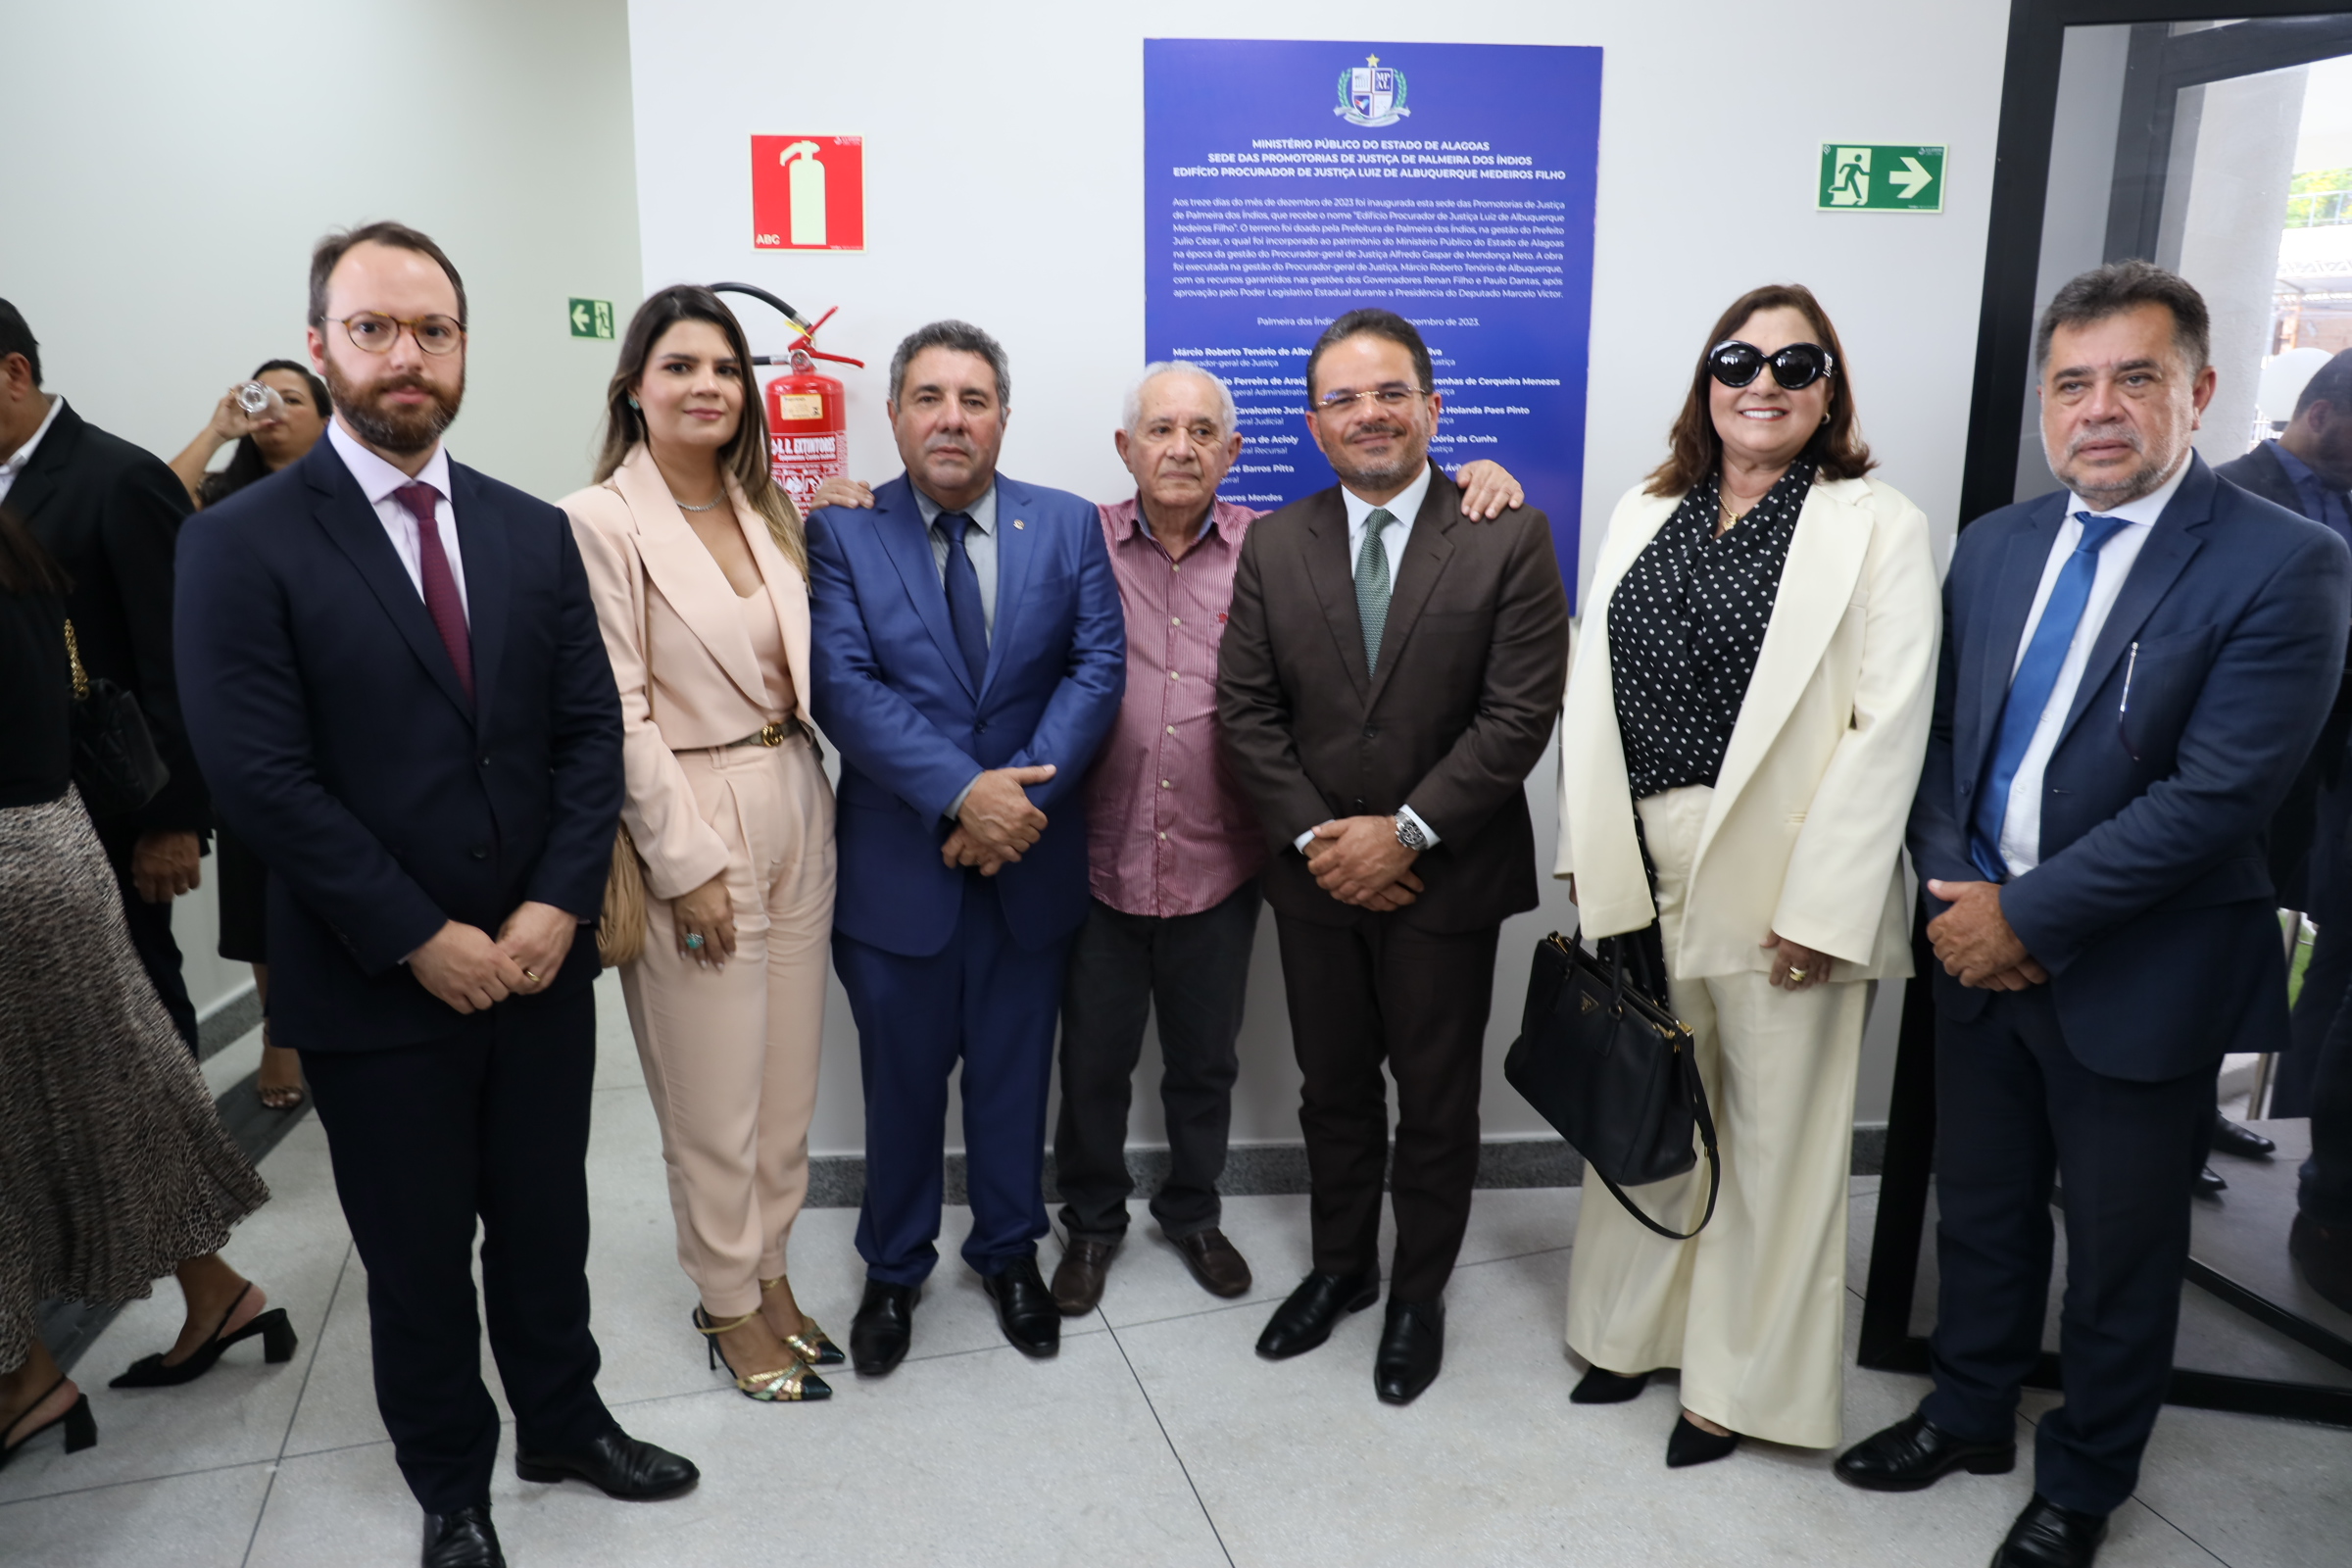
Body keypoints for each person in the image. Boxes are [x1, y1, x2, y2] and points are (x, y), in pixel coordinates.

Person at [175, 223, 695, 1568]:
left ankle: (566, 1425)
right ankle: (451, 1484)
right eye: (375, 329)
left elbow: (589, 736)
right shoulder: (243, 545)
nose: (408, 357)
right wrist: (419, 935)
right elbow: (259, 779)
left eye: (435, 331)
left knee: (546, 1223)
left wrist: (553, 908)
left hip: (533, 964)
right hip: (372, 978)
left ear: (464, 348)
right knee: (413, 1257)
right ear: (321, 344)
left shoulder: (530, 530)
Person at [810, 366, 1525, 1316]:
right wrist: (840, 493)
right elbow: (1037, 671)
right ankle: (1090, 1225)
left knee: (1206, 1059)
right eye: (1159, 429)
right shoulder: (1076, 537)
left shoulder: (1282, 550)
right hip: (1091, 855)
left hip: (1217, 858)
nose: (1180, 448)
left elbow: (1360, 557)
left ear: (1234, 452)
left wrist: (1479, 475)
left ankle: (1192, 1210)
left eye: (1202, 432)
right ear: (1126, 449)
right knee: (1089, 1065)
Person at [1840, 262, 2350, 1568]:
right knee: (1984, 1205)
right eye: (2073, 383)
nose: (2101, 410)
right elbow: (1942, 741)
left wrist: (2028, 918)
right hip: (1971, 939)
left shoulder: (2285, 564)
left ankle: (2081, 1481)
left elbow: (2219, 795)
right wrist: (1960, 897)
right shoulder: (2000, 542)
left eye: (2138, 378)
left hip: (2143, 965)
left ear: (2202, 391)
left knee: (2122, 1252)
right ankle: (1967, 1415)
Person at [1554, 284, 1938, 1467]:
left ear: (1829, 389)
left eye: (1793, 362)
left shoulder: (1877, 524)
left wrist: (1825, 908)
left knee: (1776, 1135)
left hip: (1788, 879)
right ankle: (1632, 1333)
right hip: (1644, 854)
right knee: (1653, 1108)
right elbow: (1591, 690)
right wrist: (1589, 854)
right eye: (1738, 359)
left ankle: (1738, 1386)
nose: (1761, 382)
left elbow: (1890, 726)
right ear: (1705, 381)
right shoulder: (1642, 506)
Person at [1217, 308, 1570, 1405]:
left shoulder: (1506, 531)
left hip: (1444, 876)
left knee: (1434, 1094)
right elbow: (1244, 712)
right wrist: (1326, 841)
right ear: (1316, 426)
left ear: (1431, 407)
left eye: (1389, 393)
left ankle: (1418, 1292)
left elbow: (1519, 714)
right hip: (1319, 876)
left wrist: (1405, 832)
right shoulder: (1277, 543)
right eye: (1343, 399)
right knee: (1331, 1089)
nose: (1368, 414)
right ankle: (1342, 1269)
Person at [804, 319, 1124, 1374]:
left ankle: (1007, 1253)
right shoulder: (843, 534)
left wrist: (1011, 808)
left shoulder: (1068, 525)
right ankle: (894, 1267)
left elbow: (1095, 671)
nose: (952, 417)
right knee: (899, 1085)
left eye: (974, 398)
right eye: (930, 397)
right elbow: (844, 687)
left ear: (1003, 417)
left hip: (1027, 866)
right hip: (901, 872)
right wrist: (960, 798)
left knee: (1011, 1077)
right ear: (894, 414)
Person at [562, 286, 838, 1403]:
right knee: (710, 1096)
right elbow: (614, 711)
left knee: (785, 1088)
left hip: (795, 788)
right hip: (692, 802)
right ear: (634, 385)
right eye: (680, 366)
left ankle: (769, 1269)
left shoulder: (768, 507)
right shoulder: (598, 520)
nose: (707, 386)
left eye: (725, 368)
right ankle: (726, 1299)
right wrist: (684, 865)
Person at [2, 502, 288, 1475]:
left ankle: (24, 1378)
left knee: (64, 1116)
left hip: (14, 868)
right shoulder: (19, 544)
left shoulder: (98, 495)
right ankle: (213, 1293)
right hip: (55, 845)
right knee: (105, 1097)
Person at [0, 299, 208, 1054]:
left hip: (108, 808)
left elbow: (178, 656)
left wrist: (174, 818)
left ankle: (182, 1167)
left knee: (140, 1001)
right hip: (15, 816)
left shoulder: (118, 478)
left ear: (14, 372)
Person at [168, 358, 334, 1110]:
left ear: (329, 417)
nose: (273, 411)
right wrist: (217, 428)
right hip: (252, 725)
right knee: (258, 887)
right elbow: (147, 504)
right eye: (262, 397)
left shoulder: (351, 494)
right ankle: (281, 1032)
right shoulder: (222, 500)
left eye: (292, 398)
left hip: (340, 719)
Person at [2221, 348, 2352, 1122]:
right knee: (2203, 956)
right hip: (2240, 782)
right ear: (2322, 414)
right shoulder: (2231, 498)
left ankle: (2231, 1122)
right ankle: (2183, 1126)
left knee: (2259, 952)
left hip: (2319, 787)